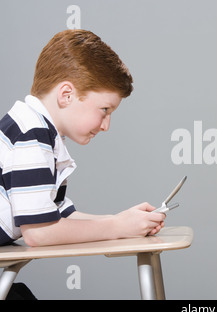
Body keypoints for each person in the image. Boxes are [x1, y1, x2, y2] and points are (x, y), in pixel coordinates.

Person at [0, 29, 166, 247]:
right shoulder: (31, 133)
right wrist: (117, 228)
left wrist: (123, 221)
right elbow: (39, 232)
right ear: (66, 95)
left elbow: (58, 215)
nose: (106, 125)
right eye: (104, 109)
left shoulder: (43, 132)